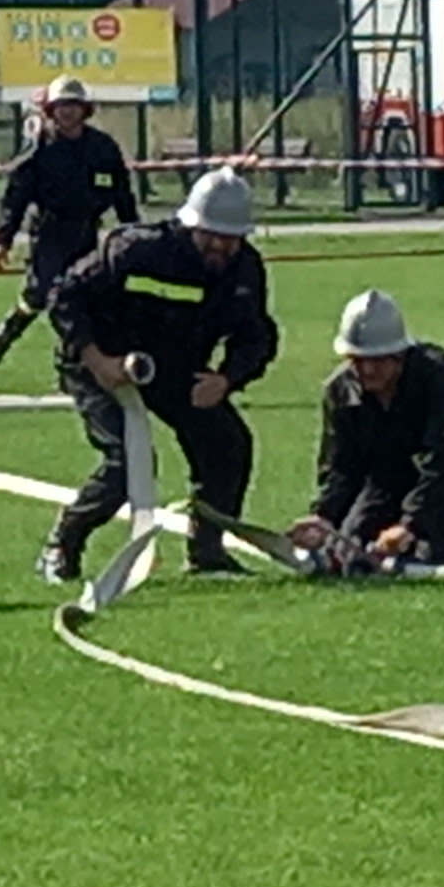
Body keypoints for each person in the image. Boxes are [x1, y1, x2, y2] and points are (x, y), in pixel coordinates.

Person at [37, 166, 278, 584]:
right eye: (211, 235)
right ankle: (63, 544)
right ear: (191, 225)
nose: (220, 246)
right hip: (101, 364)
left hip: (175, 369)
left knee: (227, 444)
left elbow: (256, 336)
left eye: (230, 238)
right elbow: (65, 295)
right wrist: (98, 360)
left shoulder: (244, 270)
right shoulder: (137, 249)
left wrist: (225, 380)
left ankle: (207, 553)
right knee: (128, 462)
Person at [304, 288, 444, 567]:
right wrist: (324, 517)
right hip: (384, 478)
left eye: (378, 360)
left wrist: (411, 524)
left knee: (436, 556)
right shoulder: (340, 392)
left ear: (400, 355)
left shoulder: (436, 375)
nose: (368, 370)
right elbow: (340, 467)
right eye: (358, 360)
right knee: (349, 550)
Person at [0, 75, 141, 363]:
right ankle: (12, 327)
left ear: (84, 109)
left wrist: (133, 232)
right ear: (51, 110)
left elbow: (122, 194)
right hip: (50, 232)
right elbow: (15, 198)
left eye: (73, 104)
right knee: (42, 292)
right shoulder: (40, 150)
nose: (67, 111)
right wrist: (2, 241)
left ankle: (77, 359)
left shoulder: (102, 147)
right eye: (61, 105)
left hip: (88, 232)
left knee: (87, 295)